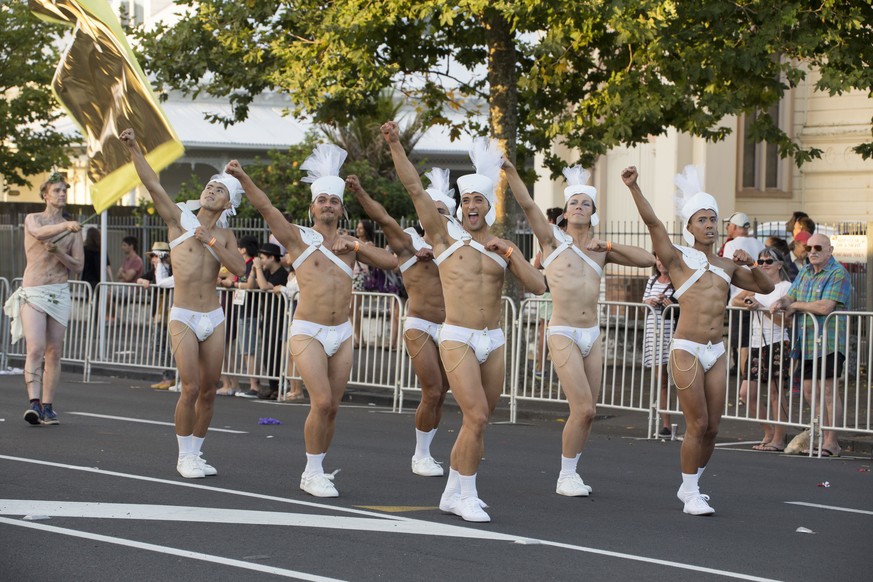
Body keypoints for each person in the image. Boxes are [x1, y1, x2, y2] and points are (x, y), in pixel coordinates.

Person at [384, 121, 546, 522]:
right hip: (456, 337)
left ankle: (452, 491)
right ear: (460, 206)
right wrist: (394, 146)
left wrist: (510, 253)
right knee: (474, 416)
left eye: (479, 199)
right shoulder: (444, 238)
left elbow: (539, 285)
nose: (472, 205)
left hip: (493, 339)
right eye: (466, 199)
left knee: (480, 422)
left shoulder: (501, 246)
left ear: (490, 205)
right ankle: (468, 496)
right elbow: (415, 190)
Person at [225, 145, 397, 498]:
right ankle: (312, 471)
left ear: (341, 208)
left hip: (342, 332)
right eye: (322, 201)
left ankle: (318, 466)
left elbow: (391, 262)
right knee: (319, 402)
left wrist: (358, 247)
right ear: (312, 207)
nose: (328, 206)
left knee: (332, 407)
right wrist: (242, 176)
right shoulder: (298, 238)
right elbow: (266, 207)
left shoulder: (351, 245)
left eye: (334, 201)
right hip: (308, 331)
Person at [624, 165, 773, 516]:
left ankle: (692, 484)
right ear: (689, 226)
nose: (708, 225)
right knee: (698, 423)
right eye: (701, 219)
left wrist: (752, 264)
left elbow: (765, 288)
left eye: (712, 219)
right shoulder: (677, 258)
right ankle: (690, 492)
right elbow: (653, 224)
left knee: (714, 428)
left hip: (716, 351)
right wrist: (633, 187)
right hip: (687, 349)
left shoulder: (728, 265)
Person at [505, 161, 654, 497]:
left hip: (592, 334)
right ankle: (565, 475)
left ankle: (572, 471)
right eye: (574, 202)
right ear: (565, 211)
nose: (579, 207)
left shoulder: (600, 249)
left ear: (593, 211)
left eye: (585, 203)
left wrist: (611, 248)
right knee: (583, 408)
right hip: (562, 331)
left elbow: (648, 259)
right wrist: (510, 171)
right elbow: (528, 204)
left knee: (588, 413)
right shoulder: (552, 241)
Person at [120, 127, 247, 479]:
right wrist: (133, 146)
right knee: (189, 385)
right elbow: (152, 184)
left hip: (214, 316)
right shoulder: (179, 219)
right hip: (184, 315)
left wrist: (211, 242)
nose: (210, 190)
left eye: (219, 189)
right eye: (210, 186)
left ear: (228, 203)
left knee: (209, 391)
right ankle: (183, 456)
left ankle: (196, 452)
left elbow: (237, 269)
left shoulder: (225, 234)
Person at [346, 169, 451, 478]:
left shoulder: (460, 248)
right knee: (431, 391)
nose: (434, 215)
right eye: (430, 210)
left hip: (453, 328)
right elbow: (385, 220)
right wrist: (360, 193)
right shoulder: (408, 245)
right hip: (419, 323)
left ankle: (428, 450)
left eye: (441, 211)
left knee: (443, 391)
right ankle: (420, 454)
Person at [3, 173, 83, 425]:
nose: (62, 194)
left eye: (64, 190)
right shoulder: (33, 219)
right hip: (34, 290)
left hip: (58, 291)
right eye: (57, 190)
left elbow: (78, 266)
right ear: (45, 195)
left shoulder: (73, 230)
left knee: (54, 352)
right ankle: (34, 404)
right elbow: (38, 233)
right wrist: (63, 227)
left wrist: (59, 250)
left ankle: (48, 406)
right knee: (35, 348)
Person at [771, 234, 851, 457]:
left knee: (827, 391)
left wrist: (795, 305)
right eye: (809, 247)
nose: (812, 251)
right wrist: (781, 303)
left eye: (818, 247)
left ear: (830, 250)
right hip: (805, 342)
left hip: (829, 342)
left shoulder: (838, 273)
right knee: (808, 391)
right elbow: (790, 296)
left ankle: (831, 442)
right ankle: (818, 436)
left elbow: (825, 307)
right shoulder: (805, 271)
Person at [731, 248, 793, 452]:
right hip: (756, 342)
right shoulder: (757, 285)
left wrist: (761, 309)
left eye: (769, 261)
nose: (764, 264)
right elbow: (735, 300)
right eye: (761, 261)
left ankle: (778, 438)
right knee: (746, 393)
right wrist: (749, 302)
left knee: (776, 393)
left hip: (777, 341)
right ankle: (768, 431)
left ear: (780, 264)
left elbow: (787, 323)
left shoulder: (786, 288)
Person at [722, 212, 765, 378]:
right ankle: (754, 378)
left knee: (742, 343)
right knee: (756, 341)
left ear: (733, 227)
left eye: (728, 226)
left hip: (738, 298)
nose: (727, 229)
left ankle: (745, 381)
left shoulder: (731, 245)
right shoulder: (758, 243)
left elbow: (727, 270)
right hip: (759, 295)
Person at [642, 256, 677, 438]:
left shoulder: (678, 282)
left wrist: (670, 305)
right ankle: (666, 424)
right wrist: (650, 302)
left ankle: (672, 421)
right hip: (652, 330)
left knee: (675, 380)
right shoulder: (651, 280)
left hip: (670, 331)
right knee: (661, 380)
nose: (661, 263)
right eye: (658, 259)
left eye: (664, 259)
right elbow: (643, 303)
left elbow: (681, 307)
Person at [250, 242, 289, 400]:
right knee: (267, 354)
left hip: (278, 319)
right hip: (266, 317)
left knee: (275, 353)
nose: (261, 261)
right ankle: (273, 386)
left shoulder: (281, 274)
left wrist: (258, 268)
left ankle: (279, 386)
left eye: (263, 258)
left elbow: (265, 287)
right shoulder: (265, 272)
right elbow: (252, 286)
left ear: (273, 258)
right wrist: (254, 271)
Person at [137, 241, 176, 390]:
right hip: (158, 314)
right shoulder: (153, 270)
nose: (153, 259)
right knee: (158, 345)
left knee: (171, 347)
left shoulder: (171, 270)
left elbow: (162, 283)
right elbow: (140, 278)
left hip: (170, 313)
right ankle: (167, 375)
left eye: (156, 256)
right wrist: (143, 280)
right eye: (152, 256)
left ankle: (172, 377)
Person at [531, 207, 563, 379]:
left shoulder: (550, 240)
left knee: (546, 331)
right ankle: (550, 369)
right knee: (558, 331)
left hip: (550, 291)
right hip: (558, 292)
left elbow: (537, 264)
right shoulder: (567, 240)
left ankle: (541, 368)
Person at [233, 235, 262, 399]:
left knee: (248, 350)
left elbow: (252, 285)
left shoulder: (252, 264)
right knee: (245, 350)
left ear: (243, 249)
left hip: (251, 311)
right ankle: (253, 384)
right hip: (243, 310)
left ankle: (254, 385)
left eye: (238, 247)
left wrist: (234, 284)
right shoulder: (242, 264)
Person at [351, 219, 375, 347]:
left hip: (360, 277)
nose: (358, 230)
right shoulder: (356, 242)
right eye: (357, 227)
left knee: (354, 309)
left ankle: (360, 339)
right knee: (352, 310)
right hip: (353, 277)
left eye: (361, 228)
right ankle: (359, 338)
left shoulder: (368, 244)